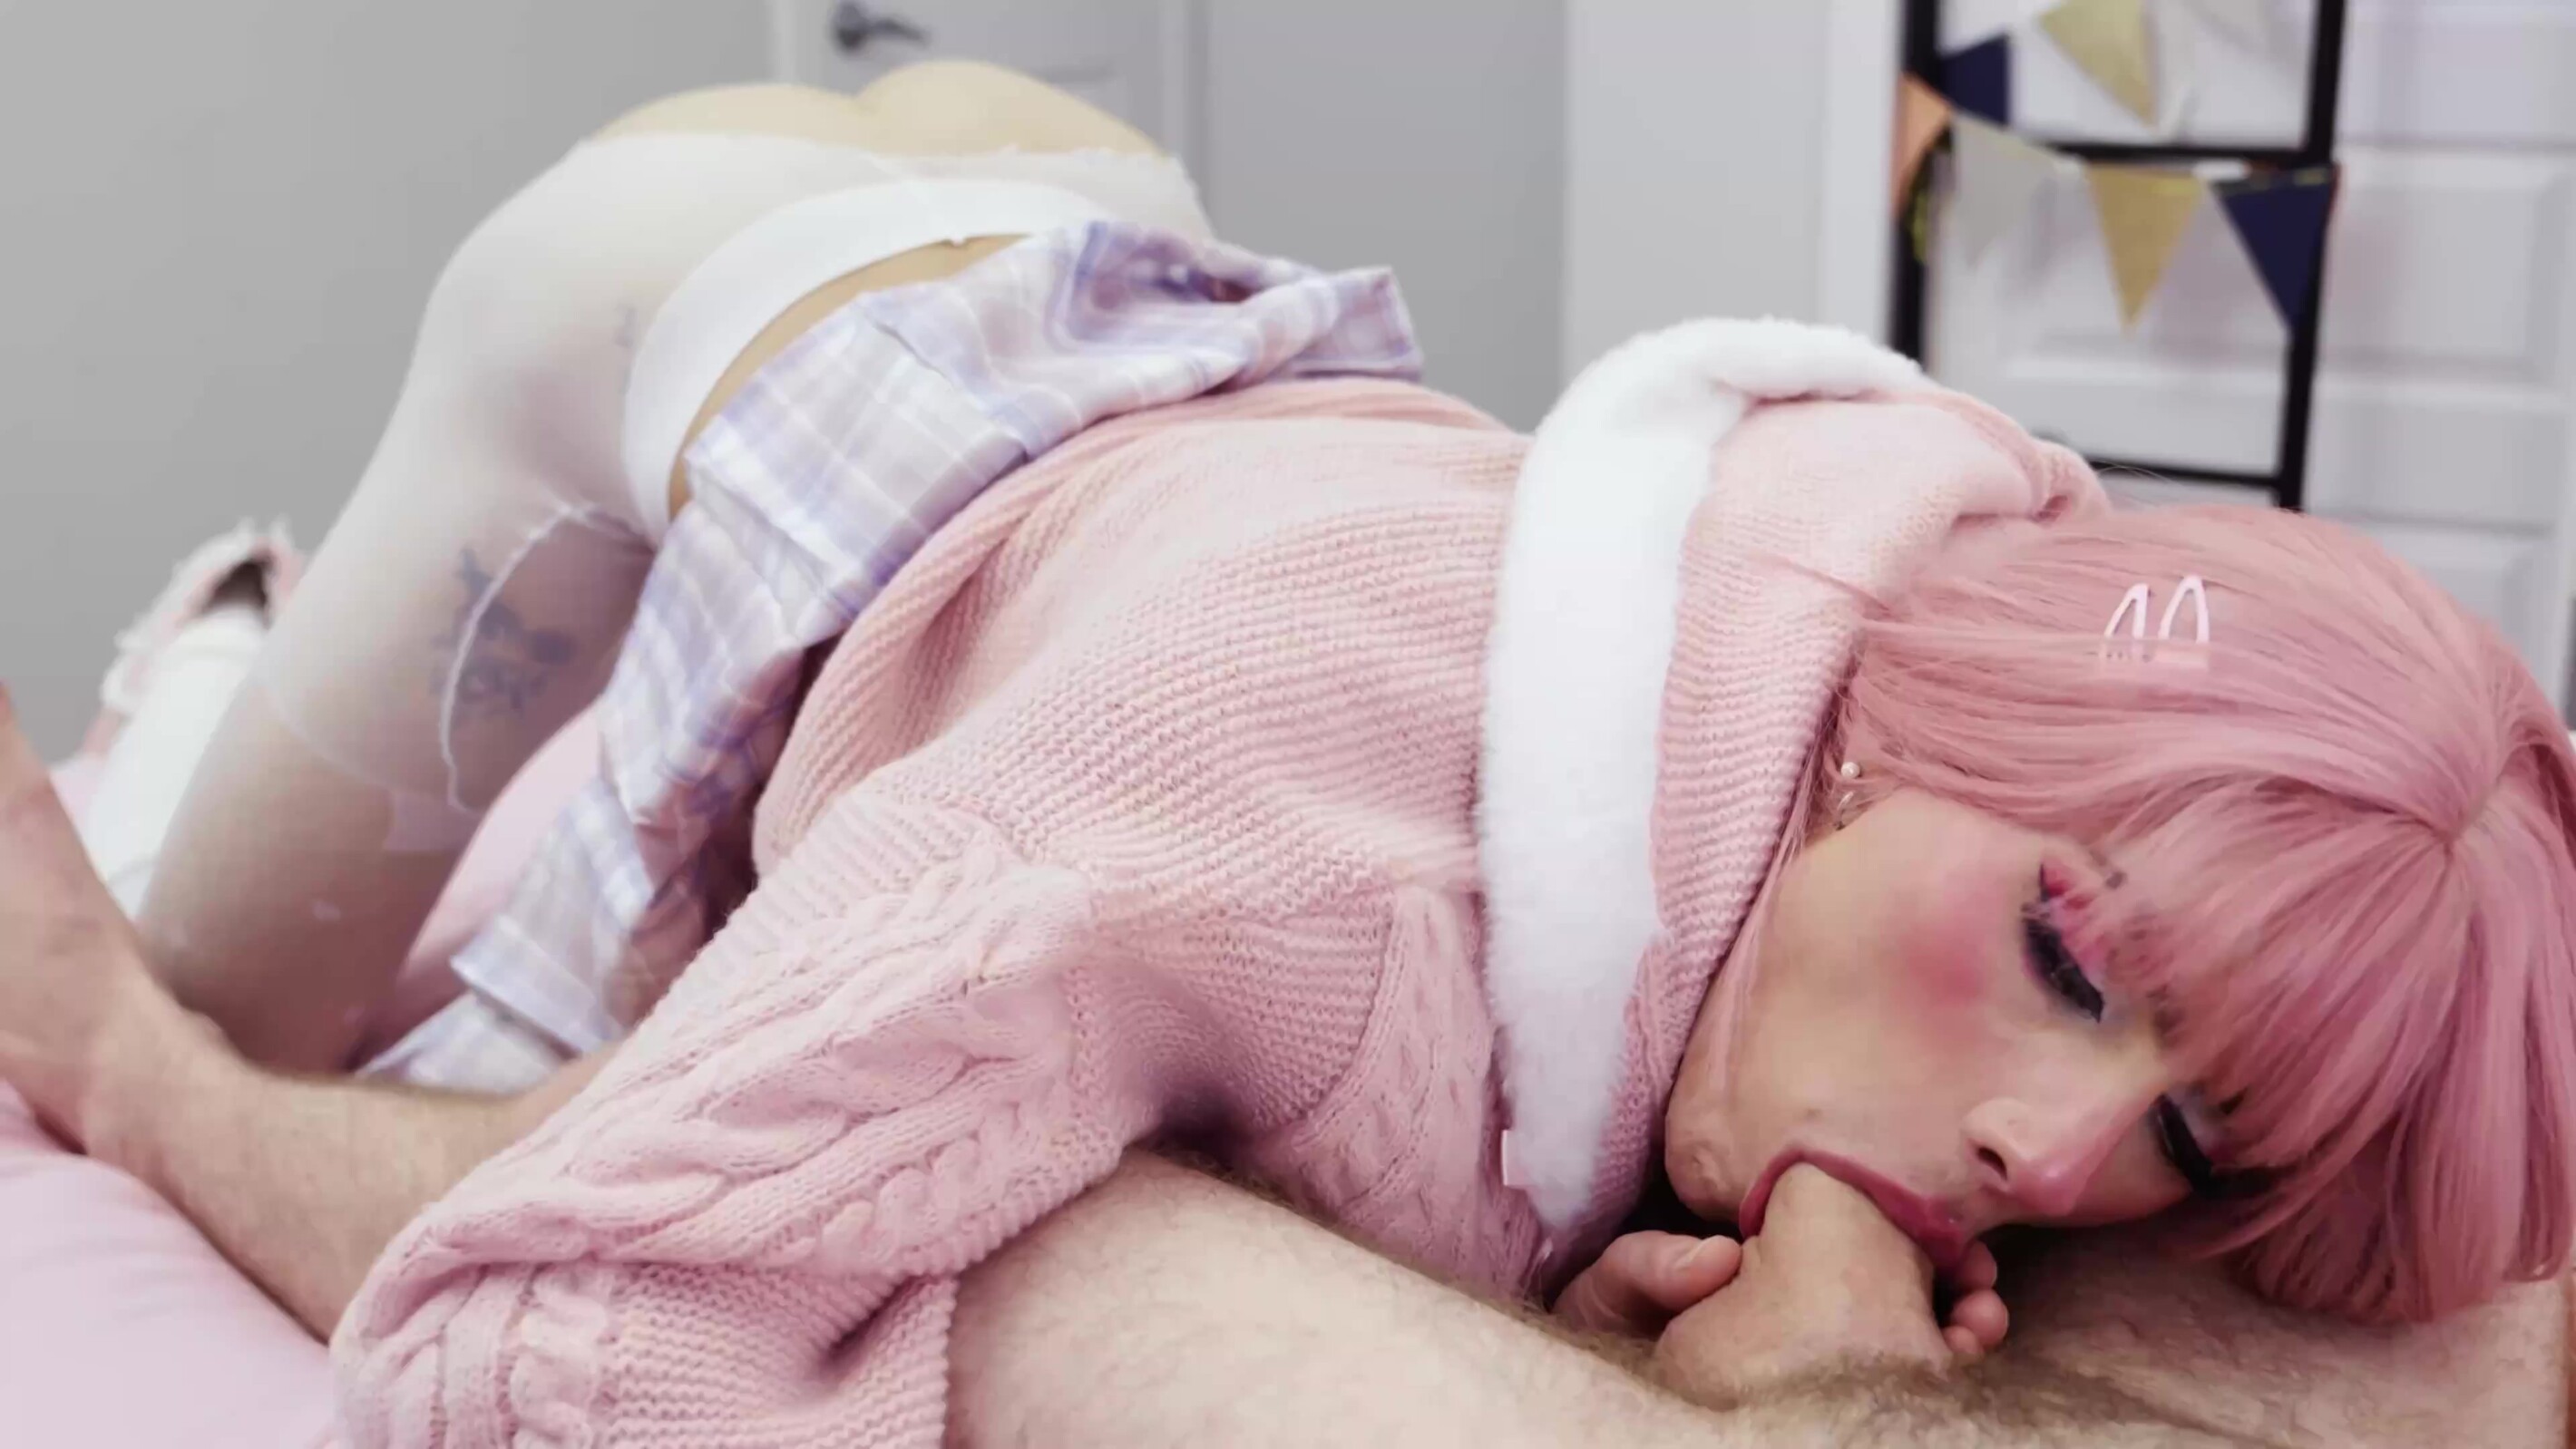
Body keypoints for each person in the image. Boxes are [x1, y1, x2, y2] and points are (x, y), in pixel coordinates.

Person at [0, 61, 2569, 1447]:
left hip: (1135, 260)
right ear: (1889, 747)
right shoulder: (1241, 829)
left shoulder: (1990, 608)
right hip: (710, 296)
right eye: (2065, 963)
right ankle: (214, 653)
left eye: (2186, 1138)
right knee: (186, 1002)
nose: (2053, 1162)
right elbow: (571, 1303)